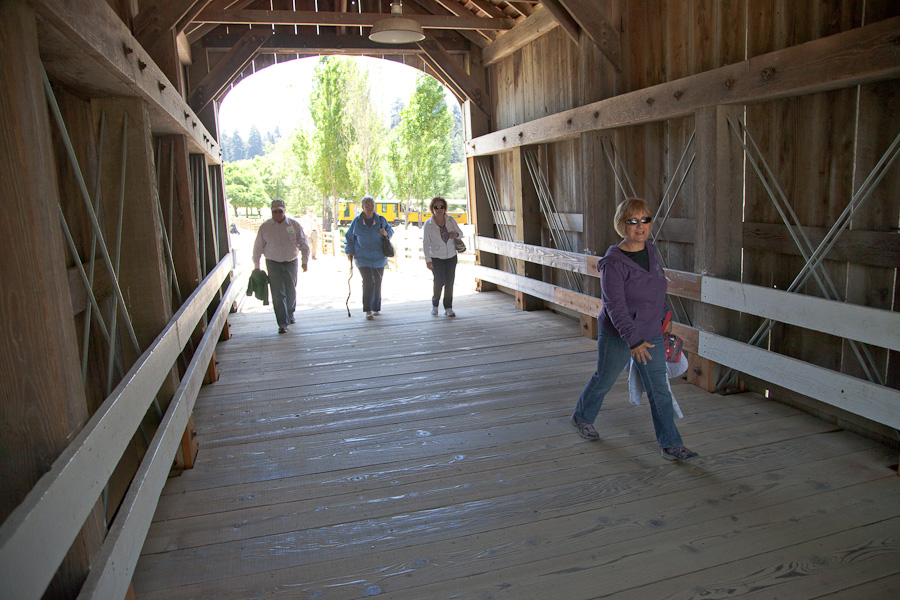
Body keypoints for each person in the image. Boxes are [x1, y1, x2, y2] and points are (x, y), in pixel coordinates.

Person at [570, 197, 698, 462]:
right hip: (619, 333)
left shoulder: (650, 251)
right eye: (633, 221)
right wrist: (633, 340)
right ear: (621, 225)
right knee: (604, 379)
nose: (640, 226)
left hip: (650, 331)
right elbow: (615, 306)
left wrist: (665, 317)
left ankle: (671, 445)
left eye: (645, 219)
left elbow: (657, 287)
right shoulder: (612, 263)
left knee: (659, 389)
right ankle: (582, 417)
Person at [252, 199, 309, 334]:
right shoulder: (265, 227)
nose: (277, 214)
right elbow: (257, 248)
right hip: (273, 263)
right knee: (278, 293)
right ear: (271, 211)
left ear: (284, 211)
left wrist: (305, 261)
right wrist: (256, 266)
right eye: (274, 211)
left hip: (291, 262)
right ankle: (282, 322)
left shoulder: (294, 225)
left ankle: (290, 313)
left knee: (290, 290)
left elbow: (303, 243)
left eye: (280, 211)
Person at [345, 195, 393, 320]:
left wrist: (386, 233)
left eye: (371, 204)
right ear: (362, 207)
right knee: (368, 282)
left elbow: (390, 231)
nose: (369, 207)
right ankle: (368, 309)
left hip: (379, 257)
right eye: (367, 205)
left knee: (377, 283)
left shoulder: (381, 220)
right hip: (362, 257)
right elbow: (349, 237)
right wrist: (349, 251)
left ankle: (376, 307)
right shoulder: (357, 221)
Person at [423, 196, 462, 317]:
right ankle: (435, 305)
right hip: (436, 256)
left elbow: (460, 233)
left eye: (442, 207)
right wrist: (428, 259)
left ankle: (448, 307)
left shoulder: (450, 220)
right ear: (432, 209)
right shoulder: (428, 224)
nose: (439, 209)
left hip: (451, 255)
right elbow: (426, 242)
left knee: (450, 282)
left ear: (445, 208)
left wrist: (456, 234)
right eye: (436, 207)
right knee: (439, 281)